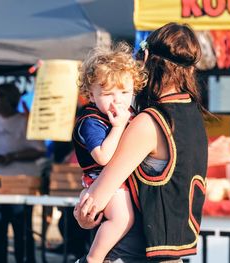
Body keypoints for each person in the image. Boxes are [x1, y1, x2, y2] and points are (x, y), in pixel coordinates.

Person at [74, 22, 208, 263]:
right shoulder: (193, 117)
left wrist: (83, 213)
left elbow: (96, 199)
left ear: (145, 58)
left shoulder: (149, 121)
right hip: (173, 254)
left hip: (130, 253)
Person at [72, 42, 146, 263]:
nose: (118, 100)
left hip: (120, 179)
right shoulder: (91, 121)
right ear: (91, 95)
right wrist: (118, 127)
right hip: (100, 178)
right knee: (122, 219)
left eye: (125, 92)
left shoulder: (131, 112)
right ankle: (94, 258)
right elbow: (103, 156)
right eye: (108, 93)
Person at [0, 83, 46, 263]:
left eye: (1, 97)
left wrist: (13, 156)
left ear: (12, 99)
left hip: (20, 186)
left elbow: (39, 149)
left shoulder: (24, 121)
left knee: (22, 231)